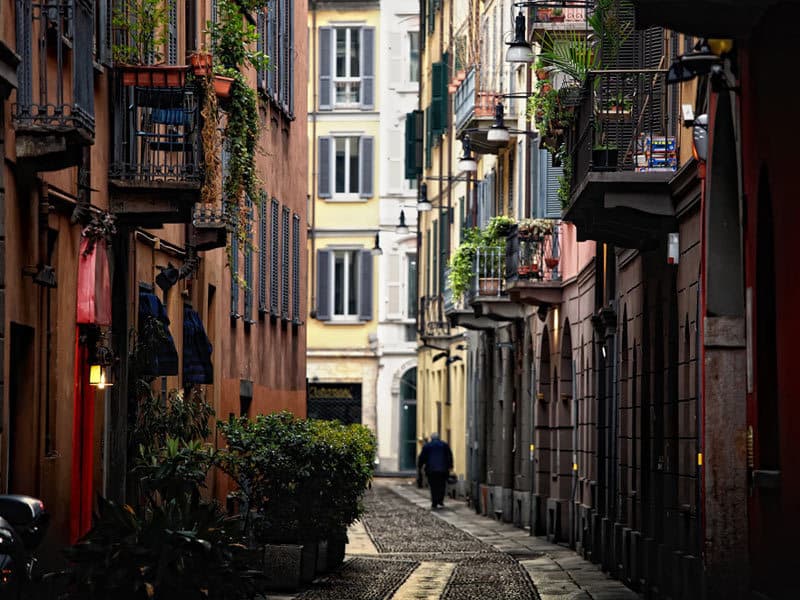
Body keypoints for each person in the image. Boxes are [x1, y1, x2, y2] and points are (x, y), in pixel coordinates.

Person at [417, 432, 453, 509]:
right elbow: (449, 456)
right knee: (442, 485)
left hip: (431, 470)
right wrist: (450, 466)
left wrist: (420, 466)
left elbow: (422, 457)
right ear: (439, 437)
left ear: (431, 438)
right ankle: (440, 500)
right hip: (443, 470)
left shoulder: (427, 446)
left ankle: (434, 501)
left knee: (433, 486)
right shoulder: (444, 445)